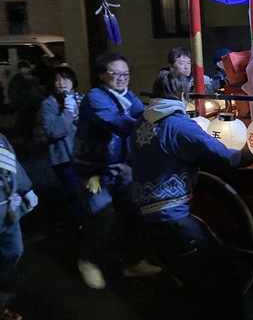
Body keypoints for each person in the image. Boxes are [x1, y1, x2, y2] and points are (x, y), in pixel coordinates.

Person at [129, 71, 253, 320]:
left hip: (147, 216)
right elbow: (218, 154)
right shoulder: (178, 125)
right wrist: (249, 155)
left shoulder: (140, 123)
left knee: (189, 276)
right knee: (224, 274)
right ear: (182, 95)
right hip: (172, 218)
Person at [72, 52, 160, 290]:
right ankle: (90, 260)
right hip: (93, 172)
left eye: (126, 74)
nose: (121, 78)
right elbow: (119, 124)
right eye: (115, 73)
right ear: (102, 75)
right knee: (102, 218)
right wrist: (160, 126)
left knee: (133, 215)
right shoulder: (95, 98)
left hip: (121, 169)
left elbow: (143, 116)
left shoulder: (129, 97)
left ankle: (132, 262)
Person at [0, 133, 38, 320]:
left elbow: (12, 163)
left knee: (14, 251)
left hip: (8, 213)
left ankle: (2, 300)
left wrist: (25, 189)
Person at [39, 66, 83, 222]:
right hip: (64, 157)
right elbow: (53, 131)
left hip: (84, 155)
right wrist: (67, 114)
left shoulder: (82, 99)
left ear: (73, 81)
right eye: (57, 80)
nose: (61, 83)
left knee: (88, 191)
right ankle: (76, 223)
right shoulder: (48, 104)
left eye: (65, 79)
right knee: (72, 192)